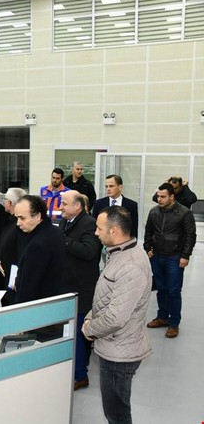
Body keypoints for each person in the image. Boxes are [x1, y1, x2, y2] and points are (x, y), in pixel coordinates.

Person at [82, 206, 152, 424]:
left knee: (117, 415)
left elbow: (115, 317)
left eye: (99, 228)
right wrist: (91, 316)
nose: (96, 233)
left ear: (114, 231)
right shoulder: (118, 253)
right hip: (114, 345)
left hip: (119, 354)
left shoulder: (131, 265)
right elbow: (107, 298)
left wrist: (90, 328)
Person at [58, 190, 101, 390]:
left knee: (78, 332)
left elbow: (89, 251)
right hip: (66, 285)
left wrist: (64, 241)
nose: (60, 207)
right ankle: (72, 368)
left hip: (81, 288)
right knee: (69, 331)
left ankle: (80, 375)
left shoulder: (89, 223)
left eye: (64, 203)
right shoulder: (65, 222)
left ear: (77, 206)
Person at [144, 183, 197, 338]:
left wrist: (185, 255)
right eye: (158, 196)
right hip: (157, 256)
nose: (159, 199)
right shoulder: (154, 212)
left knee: (173, 291)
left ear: (172, 197)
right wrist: (147, 247)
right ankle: (162, 317)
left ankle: (174, 323)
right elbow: (148, 231)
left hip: (175, 257)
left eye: (163, 197)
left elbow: (190, 235)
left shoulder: (184, 213)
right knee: (161, 289)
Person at [13, 195, 66, 304]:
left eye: (22, 218)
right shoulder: (55, 231)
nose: (18, 223)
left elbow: (28, 286)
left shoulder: (37, 244)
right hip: (53, 302)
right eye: (16, 218)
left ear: (37, 216)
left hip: (37, 306)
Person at [0, 187, 27, 305]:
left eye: (5, 199)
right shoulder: (9, 221)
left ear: (9, 203)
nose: (3, 202)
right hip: (7, 272)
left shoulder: (20, 225)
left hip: (14, 275)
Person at [92, 174, 139, 238]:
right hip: (102, 241)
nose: (108, 189)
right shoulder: (99, 203)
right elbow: (94, 225)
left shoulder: (131, 205)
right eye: (106, 186)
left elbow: (133, 228)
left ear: (120, 187)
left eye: (111, 186)